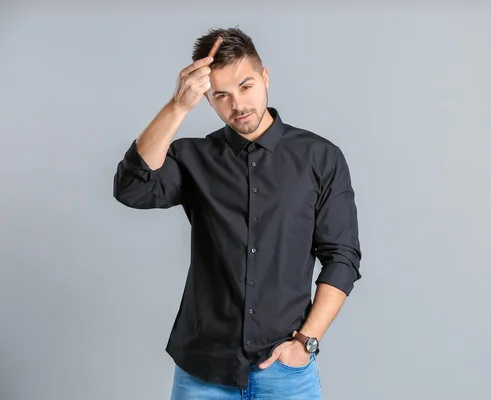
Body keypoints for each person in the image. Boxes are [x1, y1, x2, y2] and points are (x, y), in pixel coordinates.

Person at [112, 27, 362, 399]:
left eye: (246, 87)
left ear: (265, 77)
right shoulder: (191, 157)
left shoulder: (321, 157)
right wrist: (177, 106)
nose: (238, 105)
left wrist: (306, 341)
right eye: (221, 95)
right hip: (203, 371)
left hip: (285, 370)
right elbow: (132, 189)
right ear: (208, 100)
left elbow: (342, 256)